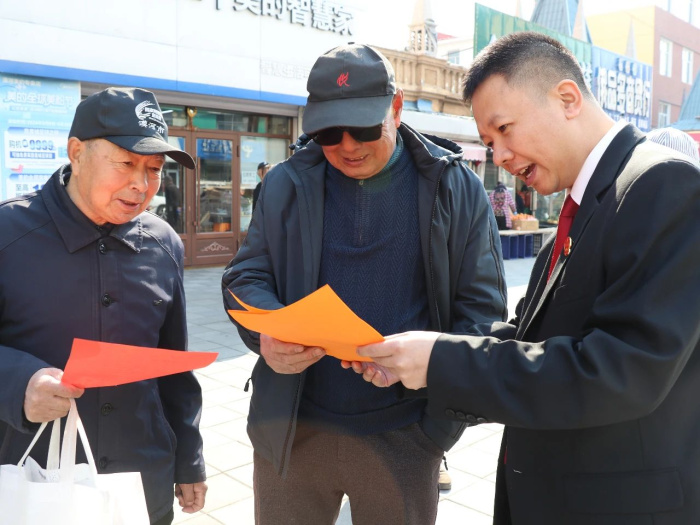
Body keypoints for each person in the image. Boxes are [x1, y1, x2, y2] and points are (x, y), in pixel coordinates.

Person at [351, 31, 700, 524]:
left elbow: (620, 371)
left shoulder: (661, 184)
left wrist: (441, 360)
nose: (498, 157)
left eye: (503, 129)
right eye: (489, 143)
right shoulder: (580, 209)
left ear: (567, 98)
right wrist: (420, 360)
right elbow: (530, 341)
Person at [222, 43, 507, 524]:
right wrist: (264, 333)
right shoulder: (286, 183)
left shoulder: (454, 187)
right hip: (291, 430)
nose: (348, 146)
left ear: (396, 108)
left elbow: (482, 312)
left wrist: (436, 430)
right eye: (329, 133)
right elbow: (245, 275)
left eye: (364, 128)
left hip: (405, 435)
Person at [0, 87, 208, 525]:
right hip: (34, 480)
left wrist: (189, 457)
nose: (142, 184)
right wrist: (18, 384)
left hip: (142, 477)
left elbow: (174, 366)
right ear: (77, 153)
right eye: (126, 163)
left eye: (154, 169)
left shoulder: (163, 243)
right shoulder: (7, 234)